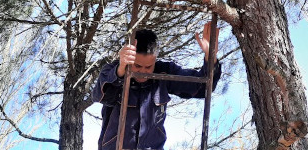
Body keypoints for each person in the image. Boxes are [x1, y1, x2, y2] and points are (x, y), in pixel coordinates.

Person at [92, 22, 221, 150]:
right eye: (137, 66)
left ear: (155, 59)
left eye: (148, 67)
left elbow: (202, 88)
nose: (142, 72)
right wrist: (120, 70)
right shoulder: (113, 70)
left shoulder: (164, 71)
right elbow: (101, 96)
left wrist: (211, 57)